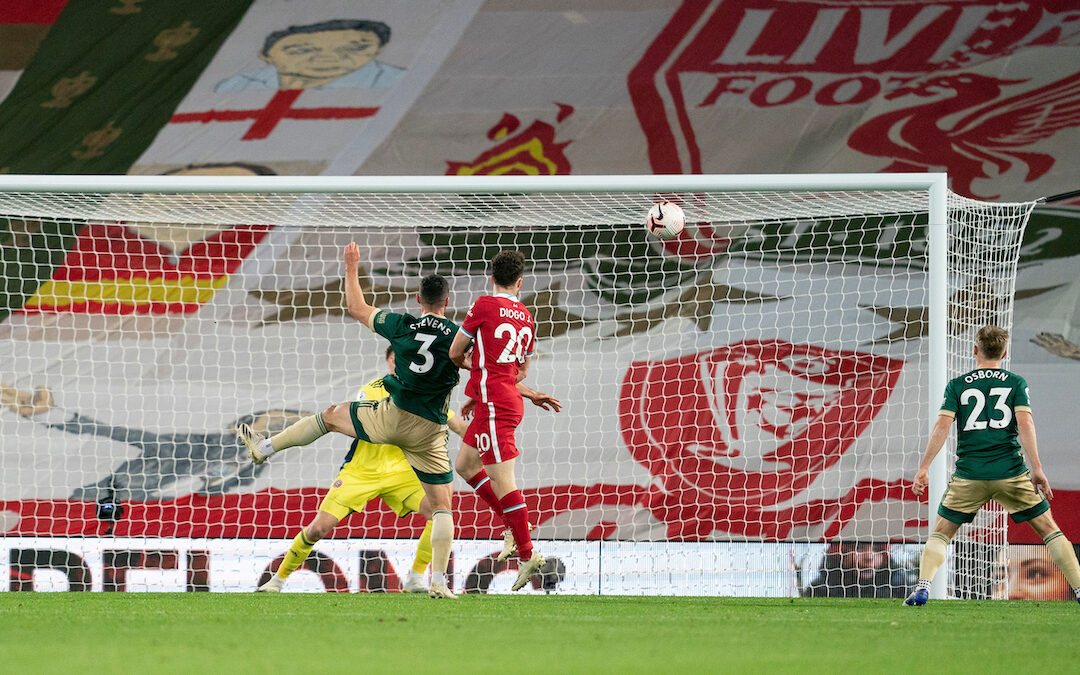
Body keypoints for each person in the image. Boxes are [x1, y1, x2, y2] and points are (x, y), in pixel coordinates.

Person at [239, 242, 462, 599]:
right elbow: (475, 367)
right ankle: (437, 580)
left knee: (330, 417)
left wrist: (352, 266)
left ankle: (420, 577)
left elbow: (357, 308)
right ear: (447, 302)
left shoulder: (403, 328)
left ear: (418, 300)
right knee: (440, 509)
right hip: (396, 451)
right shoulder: (456, 340)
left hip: (399, 447)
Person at [257, 345, 468, 594]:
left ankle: (415, 577)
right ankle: (277, 580)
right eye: (395, 359)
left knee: (439, 511)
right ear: (390, 362)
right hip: (361, 472)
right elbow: (362, 425)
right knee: (318, 528)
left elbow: (457, 425)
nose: (401, 364)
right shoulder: (372, 390)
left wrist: (484, 440)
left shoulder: (422, 392)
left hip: (401, 472)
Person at [905, 325, 1080, 606]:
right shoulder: (1015, 383)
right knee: (1050, 529)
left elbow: (942, 426)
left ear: (975, 350)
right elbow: (1025, 423)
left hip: (970, 475)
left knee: (941, 532)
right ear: (1005, 352)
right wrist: (1037, 467)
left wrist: (924, 466)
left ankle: (923, 587)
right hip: (1010, 472)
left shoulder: (958, 385)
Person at [448, 250, 561, 592]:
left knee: (504, 481)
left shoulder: (483, 305)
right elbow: (516, 370)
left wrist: (474, 369)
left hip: (497, 405)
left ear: (491, 277)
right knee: (466, 465)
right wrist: (527, 392)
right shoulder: (526, 317)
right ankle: (511, 526)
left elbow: (455, 353)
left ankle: (528, 553)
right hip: (494, 400)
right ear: (520, 282)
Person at [215, 19, 406, 93]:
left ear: (378, 50)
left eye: (354, 48)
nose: (327, 59)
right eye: (301, 50)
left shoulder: (399, 81)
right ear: (266, 56)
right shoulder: (239, 84)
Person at [804, 542, 910, 598]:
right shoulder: (820, 589)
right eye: (859, 548)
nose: (869, 557)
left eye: (877, 550)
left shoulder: (898, 587)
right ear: (839, 554)